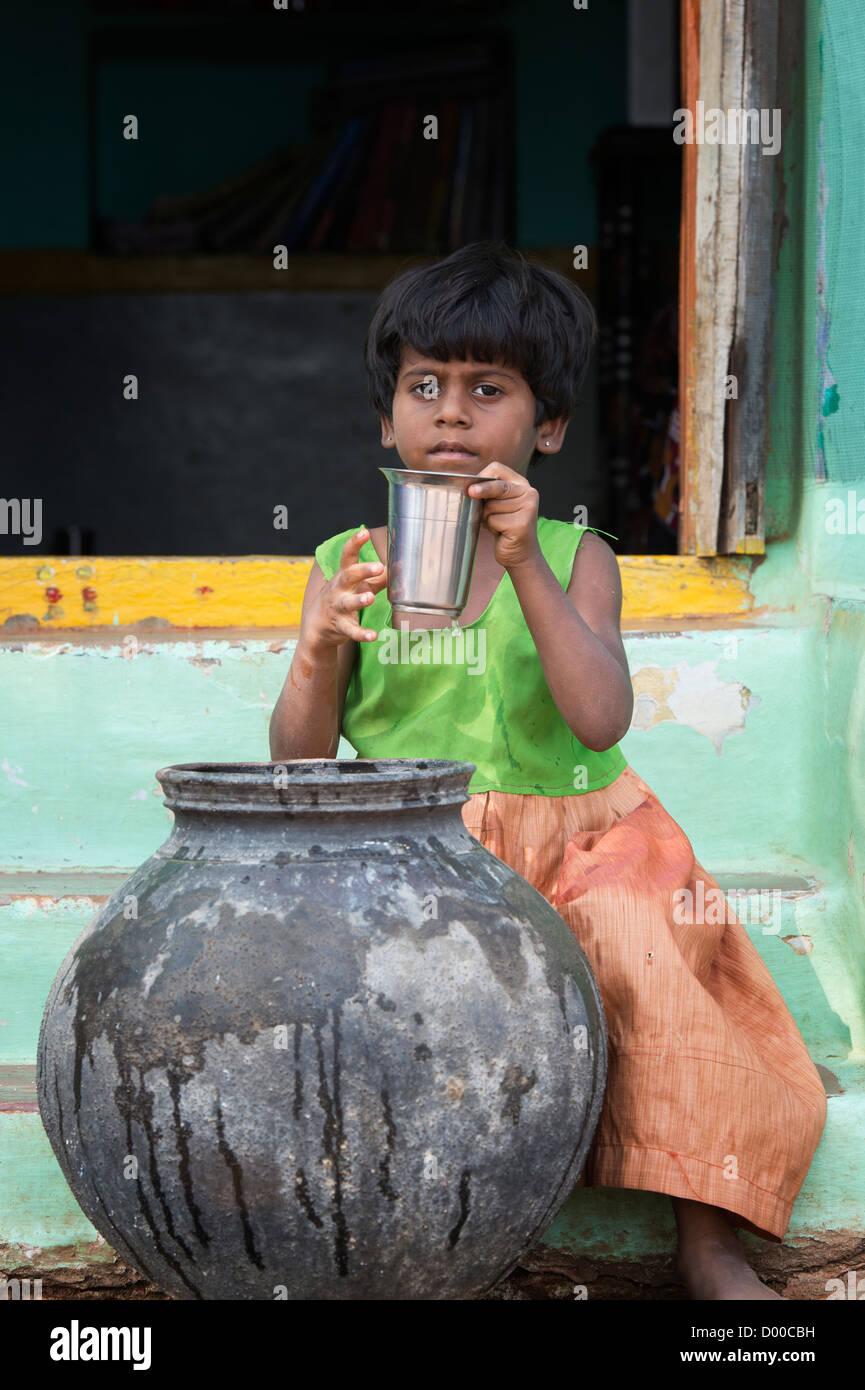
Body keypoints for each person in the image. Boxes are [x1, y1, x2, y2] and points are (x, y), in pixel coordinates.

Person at [269, 241, 827, 1301]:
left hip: (582, 838)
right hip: (421, 852)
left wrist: (527, 562)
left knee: (641, 939)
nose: (449, 413)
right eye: (423, 386)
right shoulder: (349, 562)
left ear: (547, 427)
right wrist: (319, 643)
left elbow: (601, 714)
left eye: (489, 389)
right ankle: (423, 1238)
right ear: (386, 419)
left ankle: (706, 1240)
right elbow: (297, 765)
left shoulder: (578, 557)